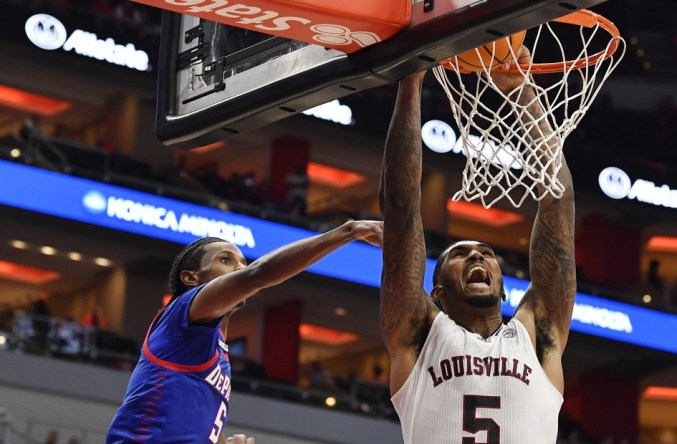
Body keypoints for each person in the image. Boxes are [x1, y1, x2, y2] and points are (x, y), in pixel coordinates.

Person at [380, 50, 576, 443]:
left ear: (504, 288)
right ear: (436, 292)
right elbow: (400, 208)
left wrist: (522, 93)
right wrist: (411, 80)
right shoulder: (419, 333)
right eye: (459, 254)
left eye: (487, 253)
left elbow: (558, 200)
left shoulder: (536, 334)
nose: (476, 256)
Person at [106, 220, 383, 444]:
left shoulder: (212, 346)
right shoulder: (184, 311)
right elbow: (259, 274)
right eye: (226, 260)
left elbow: (190, 424)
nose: (239, 268)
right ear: (192, 278)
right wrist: (348, 231)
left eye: (242, 262)